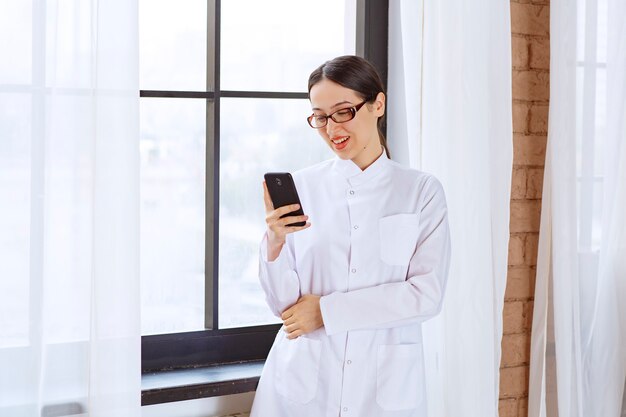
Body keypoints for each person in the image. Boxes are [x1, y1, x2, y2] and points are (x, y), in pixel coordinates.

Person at [250, 55, 451, 417]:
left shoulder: (420, 192)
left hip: (384, 389)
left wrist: (327, 311)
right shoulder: (303, 187)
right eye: (321, 117)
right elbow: (286, 308)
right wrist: (275, 241)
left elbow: (426, 296)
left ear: (378, 104)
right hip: (303, 385)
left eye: (343, 111)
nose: (332, 129)